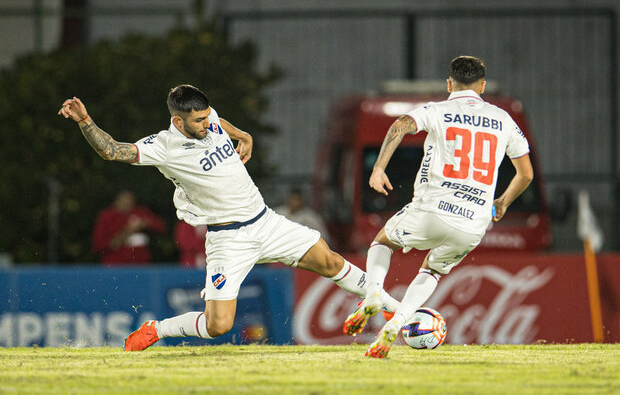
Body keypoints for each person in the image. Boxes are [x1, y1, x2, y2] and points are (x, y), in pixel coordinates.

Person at [58, 84, 399, 351]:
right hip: (229, 240)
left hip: (266, 222)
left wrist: (243, 135)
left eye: (207, 117)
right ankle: (157, 330)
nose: (207, 124)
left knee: (330, 261)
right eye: (198, 121)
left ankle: (396, 310)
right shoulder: (164, 146)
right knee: (218, 325)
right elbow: (112, 150)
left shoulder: (208, 120)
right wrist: (85, 121)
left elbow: (220, 122)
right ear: (178, 122)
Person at [342, 56, 533, 358]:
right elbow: (526, 174)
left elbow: (401, 125)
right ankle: (398, 323)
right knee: (432, 271)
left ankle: (375, 293)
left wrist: (378, 169)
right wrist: (503, 202)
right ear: (483, 86)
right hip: (473, 223)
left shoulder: (437, 110)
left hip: (432, 209)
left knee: (383, 241)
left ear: (449, 84)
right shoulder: (503, 119)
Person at [92, 189, 166, 265]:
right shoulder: (107, 216)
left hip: (141, 263)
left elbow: (161, 226)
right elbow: (99, 245)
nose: (127, 203)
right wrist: (129, 231)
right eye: (124, 200)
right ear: (116, 201)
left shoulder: (140, 212)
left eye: (130, 200)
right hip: (115, 264)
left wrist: (146, 223)